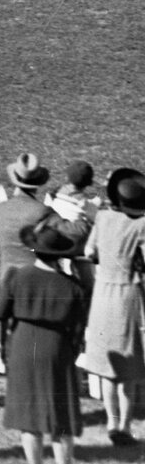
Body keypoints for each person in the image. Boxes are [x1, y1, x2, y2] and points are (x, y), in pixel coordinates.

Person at [0, 223, 90, 464]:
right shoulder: (73, 287)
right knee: (60, 420)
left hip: (25, 343)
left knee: (30, 419)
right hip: (57, 346)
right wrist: (69, 353)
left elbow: (2, 312)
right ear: (60, 254)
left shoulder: (16, 275)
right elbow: (77, 330)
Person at [83, 169, 145, 447]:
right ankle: (124, 425)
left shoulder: (104, 217)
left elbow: (88, 252)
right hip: (127, 293)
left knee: (108, 363)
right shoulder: (141, 225)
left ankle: (111, 421)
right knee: (128, 366)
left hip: (102, 293)